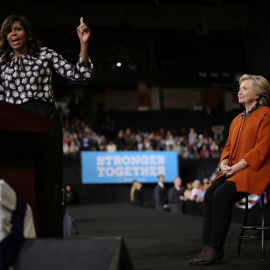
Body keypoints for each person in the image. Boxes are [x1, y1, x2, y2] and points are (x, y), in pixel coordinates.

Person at [0, 15, 94, 238]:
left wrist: (83, 43)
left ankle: (50, 242)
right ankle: (20, 240)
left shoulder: (45, 54)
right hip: (15, 128)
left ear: (27, 33)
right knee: (17, 182)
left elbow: (80, 74)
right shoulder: (1, 64)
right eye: (8, 31)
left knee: (49, 183)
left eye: (17, 29)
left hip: (45, 122)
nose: (13, 34)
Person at [188, 74, 270, 265]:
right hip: (236, 168)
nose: (239, 92)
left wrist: (239, 165)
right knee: (210, 193)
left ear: (257, 94)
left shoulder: (266, 114)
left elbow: (263, 149)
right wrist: (224, 163)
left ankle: (216, 248)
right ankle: (207, 245)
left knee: (222, 195)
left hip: (257, 169)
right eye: (239, 88)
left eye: (245, 88)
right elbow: (228, 146)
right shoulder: (236, 119)